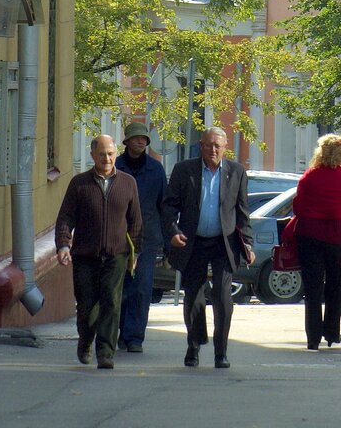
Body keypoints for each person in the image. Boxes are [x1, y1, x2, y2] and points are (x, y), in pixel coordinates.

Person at [161, 127, 255, 369]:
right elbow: (169, 206)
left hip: (223, 243)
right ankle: (193, 345)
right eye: (208, 145)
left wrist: (249, 243)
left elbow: (242, 212)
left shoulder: (236, 172)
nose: (213, 150)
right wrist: (173, 232)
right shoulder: (184, 170)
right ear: (200, 145)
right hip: (193, 241)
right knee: (193, 297)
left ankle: (220, 352)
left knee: (224, 298)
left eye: (217, 146)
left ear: (225, 148)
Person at [55, 133, 142, 370]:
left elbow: (135, 222)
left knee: (112, 303)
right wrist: (63, 244)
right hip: (85, 255)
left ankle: (105, 353)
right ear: (93, 155)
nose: (107, 158)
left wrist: (134, 255)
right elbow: (66, 217)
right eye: (102, 154)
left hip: (116, 255)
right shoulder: (79, 183)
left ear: (116, 154)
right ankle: (85, 341)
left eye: (111, 154)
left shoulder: (127, 183)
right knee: (87, 307)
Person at [292, 133, 341, 350]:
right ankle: (332, 332)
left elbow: (298, 207)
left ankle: (313, 337)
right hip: (337, 238)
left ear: (320, 153)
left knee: (312, 289)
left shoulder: (309, 177)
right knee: (335, 286)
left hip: (310, 237)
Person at [115, 121, 167, 354]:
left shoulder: (155, 169)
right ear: (126, 142)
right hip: (117, 236)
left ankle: (135, 337)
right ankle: (120, 332)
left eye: (144, 139)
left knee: (142, 288)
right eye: (136, 138)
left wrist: (167, 243)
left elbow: (164, 206)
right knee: (119, 288)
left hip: (146, 238)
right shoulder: (115, 166)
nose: (141, 141)